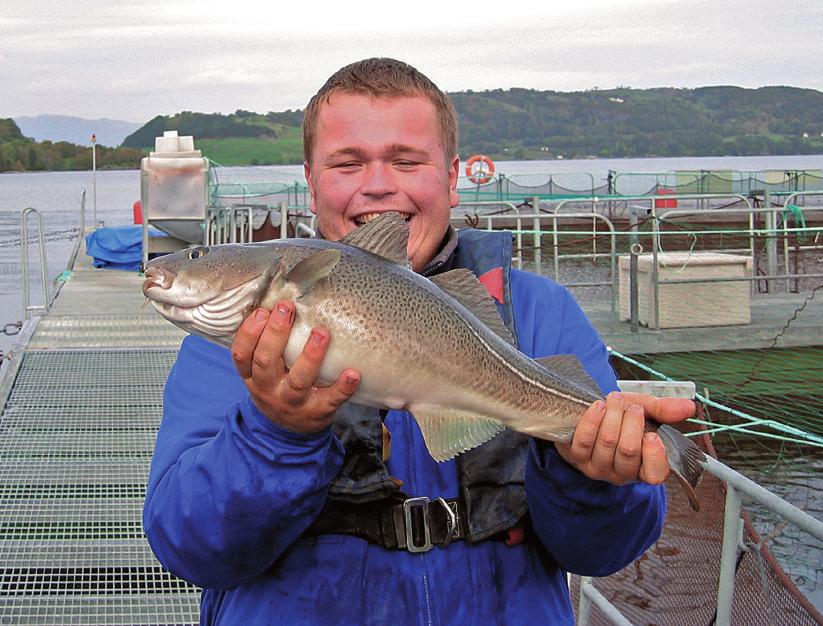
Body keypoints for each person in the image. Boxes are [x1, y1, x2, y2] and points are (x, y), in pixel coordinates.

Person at [143, 58, 695, 625]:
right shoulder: (232, 345)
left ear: (452, 178)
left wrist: (594, 477)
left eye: (406, 161)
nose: (379, 184)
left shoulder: (542, 312)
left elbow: (604, 551)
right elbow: (190, 549)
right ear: (310, 182)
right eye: (347, 163)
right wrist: (275, 432)